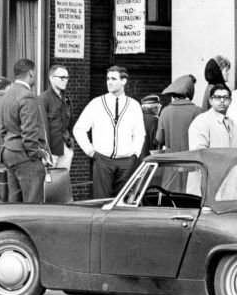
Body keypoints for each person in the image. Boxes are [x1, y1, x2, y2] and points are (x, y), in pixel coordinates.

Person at [73, 65, 145, 198]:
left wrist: (135, 153)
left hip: (126, 160)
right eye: (107, 79)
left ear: (124, 81)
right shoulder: (96, 103)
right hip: (102, 159)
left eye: (113, 79)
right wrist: (91, 151)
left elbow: (140, 133)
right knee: (101, 200)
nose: (109, 82)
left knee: (123, 201)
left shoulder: (134, 105)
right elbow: (79, 129)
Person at [0, 59, 49, 204]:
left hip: (10, 152)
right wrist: (36, 153)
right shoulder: (27, 96)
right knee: (32, 206)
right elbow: (29, 132)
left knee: (15, 203)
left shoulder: (7, 94)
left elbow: (2, 129)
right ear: (31, 73)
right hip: (25, 156)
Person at [39, 65, 74, 172]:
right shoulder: (44, 99)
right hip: (51, 151)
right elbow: (42, 128)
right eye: (62, 77)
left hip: (65, 147)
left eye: (67, 78)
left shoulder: (66, 99)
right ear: (51, 78)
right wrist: (46, 152)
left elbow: (70, 123)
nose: (65, 81)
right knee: (48, 184)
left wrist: (70, 144)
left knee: (62, 183)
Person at [155, 74, 202, 152]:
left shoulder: (165, 111)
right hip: (192, 160)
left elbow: (159, 139)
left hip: (171, 160)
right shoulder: (198, 111)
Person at [189, 83, 237, 150]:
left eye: (225, 97)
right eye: (218, 97)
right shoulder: (202, 121)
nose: (222, 101)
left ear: (230, 101)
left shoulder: (231, 123)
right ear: (210, 101)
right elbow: (199, 152)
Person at [139, 94, 161, 158]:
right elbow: (157, 140)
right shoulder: (155, 120)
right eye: (158, 107)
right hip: (149, 158)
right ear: (154, 108)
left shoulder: (136, 118)